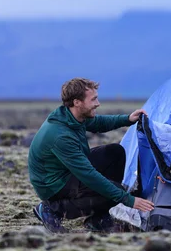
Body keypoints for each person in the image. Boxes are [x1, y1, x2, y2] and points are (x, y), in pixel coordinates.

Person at [28, 77, 154, 233]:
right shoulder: (61, 136)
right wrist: (128, 199)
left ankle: (97, 218)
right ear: (77, 102)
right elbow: (89, 175)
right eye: (93, 99)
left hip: (65, 171)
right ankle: (52, 209)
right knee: (111, 191)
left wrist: (128, 119)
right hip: (53, 185)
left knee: (115, 153)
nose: (98, 103)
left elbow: (98, 123)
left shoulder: (72, 116)